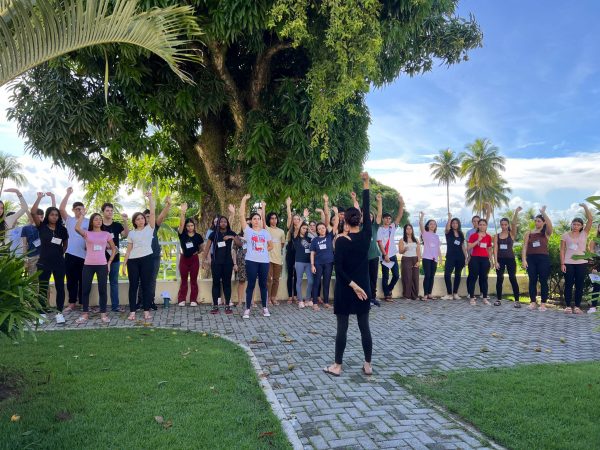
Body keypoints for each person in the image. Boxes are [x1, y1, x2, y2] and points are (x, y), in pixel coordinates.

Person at [323, 172, 373, 377]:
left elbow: (339, 269)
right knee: (364, 327)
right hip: (364, 289)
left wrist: (353, 285)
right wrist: (366, 184)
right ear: (360, 221)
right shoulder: (366, 235)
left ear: (345, 222)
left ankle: (337, 366)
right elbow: (367, 208)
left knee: (342, 329)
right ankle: (368, 365)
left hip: (346, 288)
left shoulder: (341, 241)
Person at [30, 192, 69, 323]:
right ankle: (41, 313)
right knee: (43, 288)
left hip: (59, 263)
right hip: (44, 262)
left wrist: (58, 254)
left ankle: (59, 313)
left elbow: (65, 245)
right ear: (47, 215)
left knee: (60, 287)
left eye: (56, 215)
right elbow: (33, 212)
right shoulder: (41, 227)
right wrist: (39, 198)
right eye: (52, 214)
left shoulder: (62, 230)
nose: (54, 217)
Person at [74, 212, 117, 324]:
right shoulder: (87, 233)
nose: (99, 221)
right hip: (88, 265)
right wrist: (82, 215)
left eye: (100, 219)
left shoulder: (106, 234)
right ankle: (85, 314)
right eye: (96, 219)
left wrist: (109, 262)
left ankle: (103, 314)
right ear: (92, 222)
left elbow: (114, 249)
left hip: (102, 265)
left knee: (102, 290)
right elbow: (77, 228)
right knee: (85, 290)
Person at [122, 191, 156, 322]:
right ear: (134, 222)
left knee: (146, 285)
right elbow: (128, 250)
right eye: (138, 219)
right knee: (133, 286)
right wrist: (124, 265)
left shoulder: (150, 228)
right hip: (133, 261)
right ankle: (132, 311)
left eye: (142, 218)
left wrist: (150, 198)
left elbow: (152, 213)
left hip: (147, 259)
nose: (140, 220)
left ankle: (146, 311)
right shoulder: (131, 233)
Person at [239, 194, 273, 319]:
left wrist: (263, 251)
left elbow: (270, 246)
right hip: (251, 261)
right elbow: (241, 215)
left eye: (258, 218)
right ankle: (247, 309)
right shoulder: (248, 231)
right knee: (251, 285)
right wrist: (244, 200)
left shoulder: (265, 232)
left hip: (264, 262)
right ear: (251, 221)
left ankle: (265, 308)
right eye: (254, 218)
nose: (256, 220)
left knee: (263, 285)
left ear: (261, 220)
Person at [136, 195, 172, 310]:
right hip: (142, 258)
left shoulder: (154, 227)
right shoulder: (138, 230)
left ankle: (150, 301)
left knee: (152, 280)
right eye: (145, 217)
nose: (147, 219)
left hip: (154, 258)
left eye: (148, 216)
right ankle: (140, 301)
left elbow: (161, 216)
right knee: (142, 280)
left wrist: (168, 205)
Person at [59, 187, 89, 311]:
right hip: (70, 254)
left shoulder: (88, 221)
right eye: (77, 209)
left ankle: (83, 303)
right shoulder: (69, 220)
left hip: (85, 255)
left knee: (83, 280)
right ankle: (72, 303)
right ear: (73, 210)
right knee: (71, 280)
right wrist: (68, 193)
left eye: (81, 209)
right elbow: (61, 209)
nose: (79, 211)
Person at [560, 203, 593, 314]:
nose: (576, 226)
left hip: (582, 263)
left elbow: (590, 219)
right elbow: (562, 250)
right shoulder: (565, 235)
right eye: (574, 224)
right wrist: (562, 263)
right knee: (568, 285)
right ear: (571, 225)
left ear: (581, 226)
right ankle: (568, 306)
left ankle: (577, 307)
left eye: (578, 225)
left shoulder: (584, 233)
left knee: (579, 285)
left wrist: (585, 207)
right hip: (568, 263)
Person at [522, 206, 553, 311]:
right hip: (531, 259)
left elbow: (550, 224)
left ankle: (543, 303)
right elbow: (525, 247)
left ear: (543, 222)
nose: (536, 223)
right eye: (535, 221)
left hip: (543, 259)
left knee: (543, 281)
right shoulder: (529, 233)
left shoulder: (546, 233)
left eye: (539, 221)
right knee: (532, 280)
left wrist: (543, 213)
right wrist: (524, 260)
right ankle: (533, 302)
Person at [204, 214, 237, 314]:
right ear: (218, 223)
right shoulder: (213, 234)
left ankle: (227, 306)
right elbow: (207, 248)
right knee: (216, 283)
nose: (223, 223)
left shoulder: (231, 232)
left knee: (227, 284)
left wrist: (231, 237)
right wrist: (203, 261)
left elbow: (239, 243)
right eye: (221, 221)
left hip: (228, 263)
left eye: (225, 222)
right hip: (216, 263)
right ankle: (215, 306)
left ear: (227, 223)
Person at [310, 201, 339, 311]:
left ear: (325, 229)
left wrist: (336, 213)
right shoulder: (315, 240)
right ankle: (315, 303)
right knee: (316, 282)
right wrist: (312, 265)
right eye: (319, 229)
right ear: (317, 231)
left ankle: (326, 302)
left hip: (329, 263)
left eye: (323, 228)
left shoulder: (329, 237)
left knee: (326, 282)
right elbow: (312, 253)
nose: (321, 230)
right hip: (318, 264)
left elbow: (336, 224)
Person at [100, 202, 129, 312]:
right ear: (103, 212)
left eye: (111, 211)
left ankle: (115, 306)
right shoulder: (99, 224)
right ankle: (102, 307)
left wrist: (125, 221)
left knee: (114, 282)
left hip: (115, 258)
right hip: (100, 259)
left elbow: (126, 234)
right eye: (107, 210)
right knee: (102, 283)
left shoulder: (117, 225)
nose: (110, 212)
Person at [376, 193, 404, 301]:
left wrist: (401, 203)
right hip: (384, 255)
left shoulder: (392, 227)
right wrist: (385, 255)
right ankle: (387, 295)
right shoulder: (379, 229)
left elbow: (399, 215)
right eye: (386, 218)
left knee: (396, 275)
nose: (388, 220)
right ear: (383, 219)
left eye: (389, 218)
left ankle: (388, 289)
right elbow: (380, 243)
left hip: (392, 254)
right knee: (385, 276)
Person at [177, 203, 204, 308]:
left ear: (194, 226)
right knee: (184, 280)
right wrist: (182, 212)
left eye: (192, 225)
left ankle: (193, 300)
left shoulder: (198, 236)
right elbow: (181, 224)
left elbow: (201, 247)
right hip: (184, 259)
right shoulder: (182, 234)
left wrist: (198, 252)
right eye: (188, 226)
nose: (190, 227)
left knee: (193, 280)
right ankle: (181, 299)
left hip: (194, 259)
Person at [494, 207, 522, 307]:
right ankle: (498, 299)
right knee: (499, 278)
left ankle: (517, 301)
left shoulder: (512, 234)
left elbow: (514, 223)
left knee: (512, 278)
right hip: (500, 259)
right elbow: (495, 249)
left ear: (508, 225)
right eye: (502, 224)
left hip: (510, 259)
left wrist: (516, 212)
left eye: (505, 224)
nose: (503, 226)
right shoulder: (496, 236)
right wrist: (495, 261)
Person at [467, 219, 493, 305]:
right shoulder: (473, 235)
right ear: (478, 226)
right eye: (480, 224)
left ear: (486, 226)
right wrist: (478, 240)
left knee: (484, 278)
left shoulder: (489, 237)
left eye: (484, 225)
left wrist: (491, 260)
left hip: (485, 259)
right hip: (475, 259)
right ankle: (472, 298)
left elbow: (489, 249)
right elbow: (468, 247)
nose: (482, 226)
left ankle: (485, 298)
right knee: (473, 278)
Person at [443, 214, 467, 300]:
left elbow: (462, 245)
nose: (454, 224)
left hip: (460, 257)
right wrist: (449, 218)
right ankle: (449, 294)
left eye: (456, 223)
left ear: (458, 224)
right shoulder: (448, 232)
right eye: (453, 223)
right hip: (450, 257)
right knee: (447, 274)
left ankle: (455, 293)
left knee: (458, 274)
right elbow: (447, 228)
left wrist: (466, 257)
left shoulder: (461, 233)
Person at [419, 212, 442, 300]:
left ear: (436, 226)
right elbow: (421, 224)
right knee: (427, 275)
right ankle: (425, 294)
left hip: (434, 259)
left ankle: (429, 294)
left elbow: (438, 248)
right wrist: (422, 216)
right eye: (431, 224)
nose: (432, 225)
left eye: (434, 224)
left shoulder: (436, 236)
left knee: (432, 276)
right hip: (426, 258)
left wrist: (440, 258)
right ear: (428, 226)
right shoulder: (425, 233)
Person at [265, 206, 285, 306]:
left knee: (276, 279)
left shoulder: (281, 231)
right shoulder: (267, 229)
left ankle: (273, 297)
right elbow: (262, 222)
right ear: (269, 220)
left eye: (275, 218)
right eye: (272, 218)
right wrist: (263, 208)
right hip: (268, 258)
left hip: (278, 259)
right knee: (269, 279)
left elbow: (282, 244)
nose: (274, 220)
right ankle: (268, 298)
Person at [293, 222, 313, 308]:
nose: (305, 230)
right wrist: (303, 218)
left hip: (308, 262)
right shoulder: (296, 237)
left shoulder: (309, 238)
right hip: (299, 262)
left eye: (306, 228)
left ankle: (307, 300)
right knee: (299, 281)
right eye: (303, 228)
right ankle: (300, 300)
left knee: (311, 281)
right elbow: (297, 227)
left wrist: (311, 232)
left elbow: (317, 239)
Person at [22, 207, 47, 276]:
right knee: (33, 279)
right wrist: (25, 258)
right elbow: (24, 244)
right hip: (32, 257)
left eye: (42, 217)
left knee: (44, 279)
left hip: (44, 256)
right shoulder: (26, 228)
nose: (40, 219)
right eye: (38, 217)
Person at [367, 194, 383, 304]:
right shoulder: (359, 227)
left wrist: (379, 201)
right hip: (363, 258)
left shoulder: (374, 227)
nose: (369, 217)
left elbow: (379, 214)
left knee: (373, 278)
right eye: (367, 216)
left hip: (374, 256)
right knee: (365, 278)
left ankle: (373, 297)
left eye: (371, 216)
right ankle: (366, 298)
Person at [398, 224, 421, 300]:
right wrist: (405, 249)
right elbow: (400, 252)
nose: (409, 230)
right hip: (406, 259)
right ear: (405, 230)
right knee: (407, 277)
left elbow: (418, 251)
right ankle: (407, 295)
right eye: (407, 229)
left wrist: (418, 261)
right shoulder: (402, 240)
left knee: (415, 277)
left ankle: (415, 295)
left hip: (415, 259)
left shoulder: (416, 240)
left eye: (410, 228)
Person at [285, 197, 301, 304]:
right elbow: (289, 216)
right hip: (290, 254)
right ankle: (290, 296)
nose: (295, 220)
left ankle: (295, 295)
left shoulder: (302, 230)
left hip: (299, 255)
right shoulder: (289, 229)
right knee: (290, 275)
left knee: (297, 276)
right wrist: (288, 205)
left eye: (297, 219)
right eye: (294, 219)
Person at [588, 223, 600, 314]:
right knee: (596, 287)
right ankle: (593, 307)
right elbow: (591, 254)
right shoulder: (594, 240)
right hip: (597, 265)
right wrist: (593, 267)